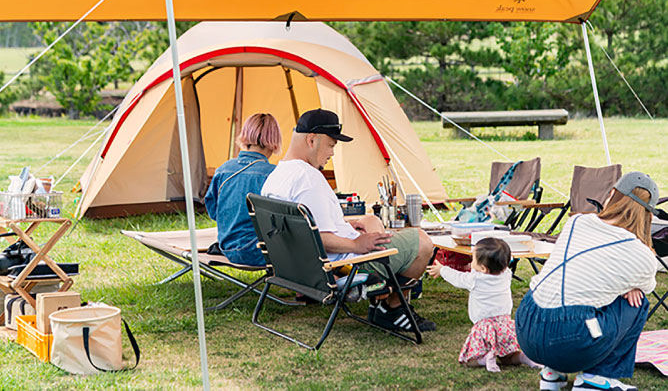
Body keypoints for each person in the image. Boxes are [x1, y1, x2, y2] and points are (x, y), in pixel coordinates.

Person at [261, 108, 436, 332]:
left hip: (301, 267)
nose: (332, 153)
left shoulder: (277, 176)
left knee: (371, 220)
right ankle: (392, 310)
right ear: (312, 140)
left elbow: (308, 230)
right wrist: (356, 244)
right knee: (422, 241)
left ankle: (384, 301)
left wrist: (345, 226)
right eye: (332, 145)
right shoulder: (309, 178)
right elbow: (320, 238)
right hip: (347, 264)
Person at [515, 172, 658, 391]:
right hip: (570, 336)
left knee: (574, 292)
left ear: (612, 196)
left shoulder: (576, 222)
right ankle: (597, 378)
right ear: (648, 215)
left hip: (527, 324)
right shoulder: (642, 256)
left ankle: (552, 373)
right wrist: (628, 286)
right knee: (636, 302)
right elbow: (646, 287)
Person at [427, 238, 540, 372]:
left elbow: (458, 278)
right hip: (504, 325)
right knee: (507, 357)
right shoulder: (506, 274)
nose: (471, 261)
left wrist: (442, 270)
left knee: (469, 361)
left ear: (483, 268)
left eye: (473, 259)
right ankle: (523, 357)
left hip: (484, 327)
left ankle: (485, 358)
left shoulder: (475, 280)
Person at [204, 113, 282, 266]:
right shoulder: (273, 173)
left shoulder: (223, 170)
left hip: (226, 246)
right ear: (274, 142)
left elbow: (213, 210)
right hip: (258, 252)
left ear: (245, 136)